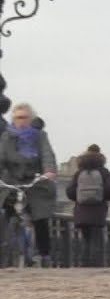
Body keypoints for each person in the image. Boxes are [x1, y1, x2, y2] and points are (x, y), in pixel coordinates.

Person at [0, 102, 57, 267]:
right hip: (12, 182)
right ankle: (8, 252)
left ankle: (44, 254)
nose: (21, 121)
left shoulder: (39, 136)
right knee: (6, 212)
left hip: (35, 181)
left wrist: (49, 171)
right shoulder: (6, 137)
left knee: (40, 218)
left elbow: (47, 155)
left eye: (24, 117)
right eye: (18, 118)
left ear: (31, 119)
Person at [64, 144, 110, 267]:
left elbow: (70, 192)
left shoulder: (79, 172)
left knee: (86, 239)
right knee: (96, 239)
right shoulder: (103, 172)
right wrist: (101, 197)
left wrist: (80, 199)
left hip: (81, 210)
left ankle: (84, 264)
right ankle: (96, 265)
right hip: (98, 210)